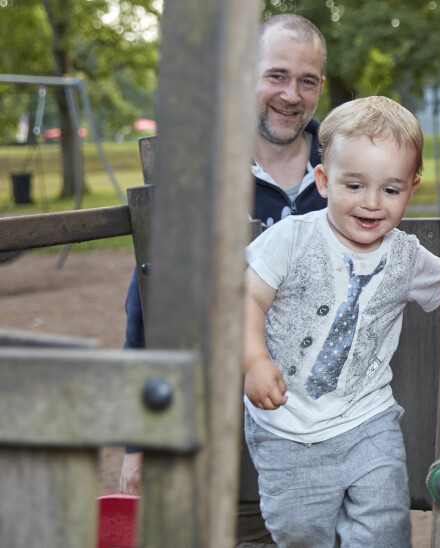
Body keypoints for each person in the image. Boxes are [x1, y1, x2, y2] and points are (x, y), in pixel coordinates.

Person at [119, 9, 328, 508]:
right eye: (276, 75)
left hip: (324, 448)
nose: (291, 95)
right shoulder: (199, 175)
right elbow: (149, 314)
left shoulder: (346, 174)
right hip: (219, 446)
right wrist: (138, 440)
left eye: (307, 81)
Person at [243, 95, 440, 547]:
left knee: (385, 530)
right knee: (300, 533)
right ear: (324, 180)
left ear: (411, 189)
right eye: (355, 186)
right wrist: (255, 361)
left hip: (367, 420)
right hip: (288, 427)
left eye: (390, 190)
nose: (372, 203)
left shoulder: (407, 257)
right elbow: (245, 301)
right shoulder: (292, 239)